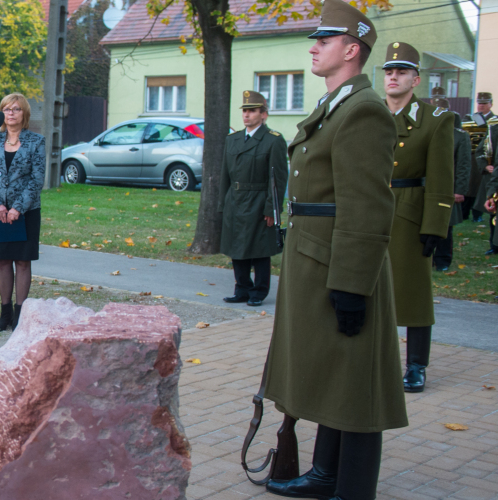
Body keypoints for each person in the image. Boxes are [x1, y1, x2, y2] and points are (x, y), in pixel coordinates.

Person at [262, 2, 407, 499]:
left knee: (355, 385)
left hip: (341, 266)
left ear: (351, 49)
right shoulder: (337, 104)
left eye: (324, 40)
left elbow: (366, 209)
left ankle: (353, 487)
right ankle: (326, 475)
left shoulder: (364, 110)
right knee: (330, 375)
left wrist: (351, 285)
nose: (313, 47)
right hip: (315, 258)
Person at [382, 42, 454, 394]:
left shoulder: (436, 120)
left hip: (410, 212)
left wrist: (435, 226)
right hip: (371, 210)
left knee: (414, 294)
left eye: (402, 71)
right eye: (389, 71)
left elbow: (441, 178)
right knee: (367, 288)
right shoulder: (371, 113)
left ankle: (416, 366)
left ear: (416, 79)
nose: (393, 77)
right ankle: (374, 359)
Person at [0, 93, 45, 331]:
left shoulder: (36, 141)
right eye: (6, 109)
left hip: (25, 211)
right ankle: (4, 313)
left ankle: (20, 315)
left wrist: (17, 207)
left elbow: (37, 180)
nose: (10, 113)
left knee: (23, 261)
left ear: (24, 113)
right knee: (3, 261)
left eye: (15, 109)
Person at [219, 91, 287, 307]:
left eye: (252, 111)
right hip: (235, 200)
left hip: (259, 200)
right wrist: (223, 204)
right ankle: (242, 288)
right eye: (245, 111)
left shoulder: (272, 140)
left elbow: (277, 179)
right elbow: (225, 176)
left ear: (264, 114)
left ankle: (259, 291)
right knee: (236, 247)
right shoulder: (233, 139)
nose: (247, 115)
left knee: (259, 249)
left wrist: (272, 209)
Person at [432, 98, 472, 271]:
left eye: (442, 109)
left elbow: (464, 165)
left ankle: (443, 261)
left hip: (448, 188)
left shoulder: (459, 136)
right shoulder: (429, 131)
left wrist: (459, 190)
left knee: (445, 227)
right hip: (428, 186)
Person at [465, 92, 494, 222]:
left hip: (488, 159)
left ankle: (479, 214)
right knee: (469, 187)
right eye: (479, 103)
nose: (481, 106)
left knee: (481, 189)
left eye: (484, 103)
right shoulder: (470, 119)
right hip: (471, 158)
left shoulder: (494, 120)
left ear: (490, 104)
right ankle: (465, 213)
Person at [474, 119, 498, 254]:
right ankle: (495, 246)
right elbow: (480, 152)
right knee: (494, 215)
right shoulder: (494, 130)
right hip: (495, 178)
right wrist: (485, 166)